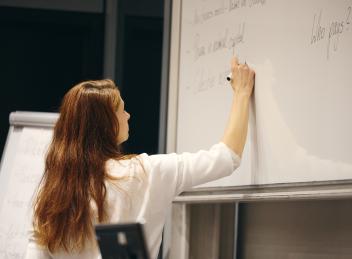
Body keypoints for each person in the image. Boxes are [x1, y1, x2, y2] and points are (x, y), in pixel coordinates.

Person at [24, 57, 255, 259]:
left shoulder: (50, 197)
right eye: (122, 110)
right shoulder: (145, 172)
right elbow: (226, 157)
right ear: (108, 124)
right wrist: (242, 93)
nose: (128, 115)